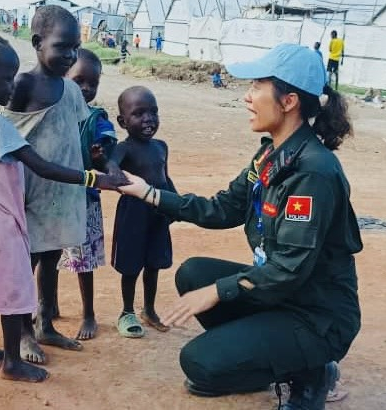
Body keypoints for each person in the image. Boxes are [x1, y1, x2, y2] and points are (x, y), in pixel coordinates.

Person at [118, 43, 361, 409]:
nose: (247, 97)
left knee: (200, 363)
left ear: (288, 101)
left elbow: (287, 271)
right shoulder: (271, 155)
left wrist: (216, 292)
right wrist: (149, 193)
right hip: (286, 296)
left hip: (316, 315)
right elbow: (222, 208)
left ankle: (310, 374)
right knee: (194, 273)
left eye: (257, 86)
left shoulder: (313, 172)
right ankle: (265, 351)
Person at [0, 34, 120, 382]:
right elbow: (42, 166)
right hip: (3, 221)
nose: (13, 85)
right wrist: (93, 179)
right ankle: (12, 360)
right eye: (5, 78)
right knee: (15, 291)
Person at [4, 5, 91, 364]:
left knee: (52, 255)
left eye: (75, 47)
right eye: (62, 46)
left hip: (62, 191)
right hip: (30, 191)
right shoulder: (23, 84)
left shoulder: (71, 89)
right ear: (37, 43)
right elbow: (7, 135)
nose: (70, 55)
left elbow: (76, 133)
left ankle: (45, 322)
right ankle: (24, 332)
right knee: (28, 261)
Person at [57, 49, 118, 340]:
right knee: (48, 256)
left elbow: (107, 140)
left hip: (83, 201)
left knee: (84, 261)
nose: (86, 88)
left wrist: (102, 154)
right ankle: (49, 306)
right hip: (53, 198)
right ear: (63, 78)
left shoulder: (96, 118)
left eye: (92, 83)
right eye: (79, 80)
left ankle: (89, 314)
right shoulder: (52, 112)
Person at [111, 86, 175, 338]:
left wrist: (176, 204)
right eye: (139, 113)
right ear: (122, 121)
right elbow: (111, 166)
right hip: (133, 212)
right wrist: (104, 162)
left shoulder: (161, 146)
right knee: (131, 265)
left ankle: (149, 309)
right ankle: (127, 312)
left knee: (154, 263)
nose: (148, 119)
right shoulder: (123, 148)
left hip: (158, 210)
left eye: (153, 112)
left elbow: (165, 178)